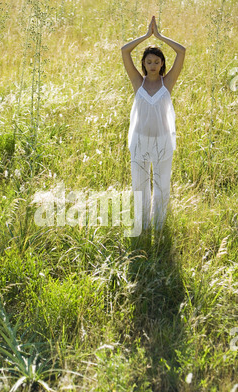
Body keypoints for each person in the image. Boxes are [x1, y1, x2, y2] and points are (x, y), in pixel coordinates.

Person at [121, 16, 186, 233]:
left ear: (162, 64)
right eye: (149, 62)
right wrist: (145, 36)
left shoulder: (167, 83)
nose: (152, 66)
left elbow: (182, 51)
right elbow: (124, 51)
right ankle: (143, 226)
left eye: (157, 62)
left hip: (162, 142)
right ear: (143, 64)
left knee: (161, 187)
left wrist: (159, 36)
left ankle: (158, 229)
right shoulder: (136, 82)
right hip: (139, 141)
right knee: (140, 188)